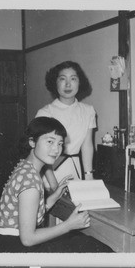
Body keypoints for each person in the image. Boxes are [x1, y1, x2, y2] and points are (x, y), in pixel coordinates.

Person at [0, 117, 113, 253]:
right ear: (32, 142)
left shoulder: (24, 167)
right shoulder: (30, 183)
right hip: (20, 252)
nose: (56, 149)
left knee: (82, 242)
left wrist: (54, 197)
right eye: (50, 141)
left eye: (60, 143)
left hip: (8, 244)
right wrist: (68, 225)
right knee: (92, 245)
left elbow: (29, 211)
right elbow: (27, 239)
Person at [35, 61, 96, 191]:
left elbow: (87, 145)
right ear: (55, 83)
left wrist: (89, 177)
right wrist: (52, 184)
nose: (68, 84)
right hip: (49, 172)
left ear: (80, 82)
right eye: (62, 79)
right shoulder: (45, 112)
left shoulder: (88, 111)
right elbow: (40, 152)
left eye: (73, 79)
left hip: (75, 170)